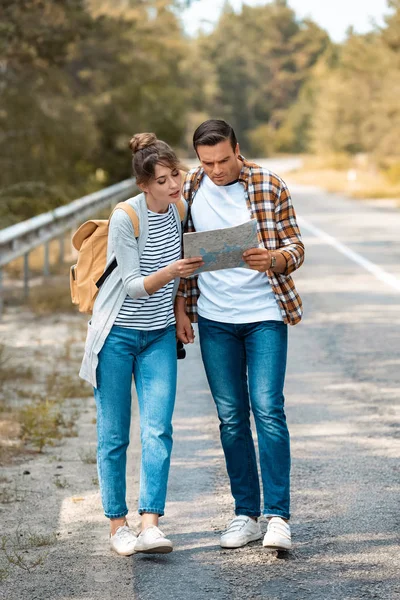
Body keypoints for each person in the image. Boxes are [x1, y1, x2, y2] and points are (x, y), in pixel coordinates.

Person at [175, 119, 304, 551]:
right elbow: (169, 244)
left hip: (265, 314)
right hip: (214, 320)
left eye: (223, 160)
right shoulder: (189, 188)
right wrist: (181, 308)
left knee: (268, 409)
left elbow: (297, 248)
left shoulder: (269, 184)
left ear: (238, 149)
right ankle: (245, 514)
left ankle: (278, 518)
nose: (216, 170)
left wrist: (274, 259)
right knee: (231, 419)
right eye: (207, 162)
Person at [79, 133, 203, 556]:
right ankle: (118, 525)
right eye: (164, 180)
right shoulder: (125, 218)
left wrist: (182, 310)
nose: (174, 185)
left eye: (176, 175)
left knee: (158, 429)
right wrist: (172, 272)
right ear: (144, 185)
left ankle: (150, 523)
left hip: (159, 336)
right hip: (116, 336)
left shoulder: (179, 210)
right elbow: (133, 286)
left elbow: (183, 275)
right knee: (114, 435)